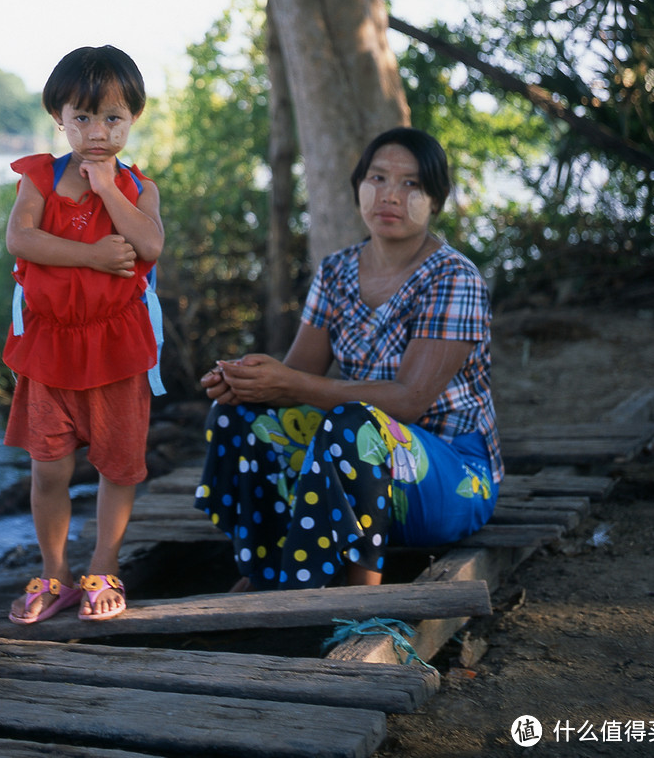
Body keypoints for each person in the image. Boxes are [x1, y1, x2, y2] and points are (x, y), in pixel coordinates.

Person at [195, 127, 502, 591]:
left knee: (356, 424)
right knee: (242, 417)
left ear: (436, 201)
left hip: (450, 479)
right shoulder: (337, 270)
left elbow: (408, 401)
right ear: (359, 186)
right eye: (377, 178)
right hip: (361, 473)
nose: (390, 195)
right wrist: (247, 382)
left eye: (411, 184)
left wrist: (289, 385)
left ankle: (361, 592)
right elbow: (297, 376)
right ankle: (265, 570)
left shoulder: (454, 278)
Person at [3, 45, 164, 623]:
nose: (98, 132)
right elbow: (21, 240)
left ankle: (103, 564)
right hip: (50, 348)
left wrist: (109, 190)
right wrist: (93, 257)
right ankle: (54, 572)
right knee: (48, 465)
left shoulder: (137, 188)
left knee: (118, 465)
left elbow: (149, 246)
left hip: (116, 349)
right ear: (60, 118)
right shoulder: (40, 178)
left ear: (134, 120)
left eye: (113, 118)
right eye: (83, 118)